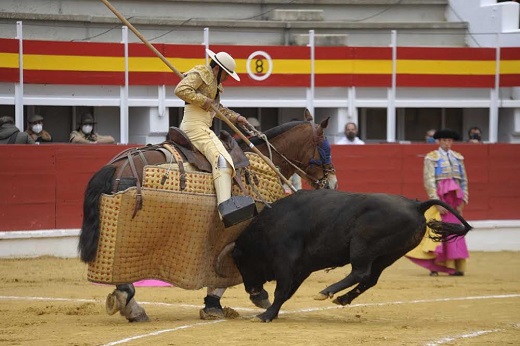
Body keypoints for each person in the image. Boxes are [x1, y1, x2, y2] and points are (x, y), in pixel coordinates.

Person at [174, 49, 256, 226]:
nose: (227, 79)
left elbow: (218, 110)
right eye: (227, 74)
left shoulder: (214, 83)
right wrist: (204, 101)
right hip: (195, 127)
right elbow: (180, 89)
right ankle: (225, 211)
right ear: (219, 70)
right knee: (222, 162)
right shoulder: (202, 73)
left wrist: (237, 118)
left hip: (202, 126)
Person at [406, 128, 469, 276]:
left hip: (454, 200)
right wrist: (437, 202)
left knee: (455, 232)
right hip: (440, 200)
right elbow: (429, 182)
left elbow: (464, 181)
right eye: (445, 141)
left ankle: (455, 266)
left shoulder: (458, 158)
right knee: (437, 233)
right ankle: (435, 267)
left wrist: (463, 202)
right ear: (439, 142)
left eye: (450, 140)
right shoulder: (431, 157)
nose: (448, 143)